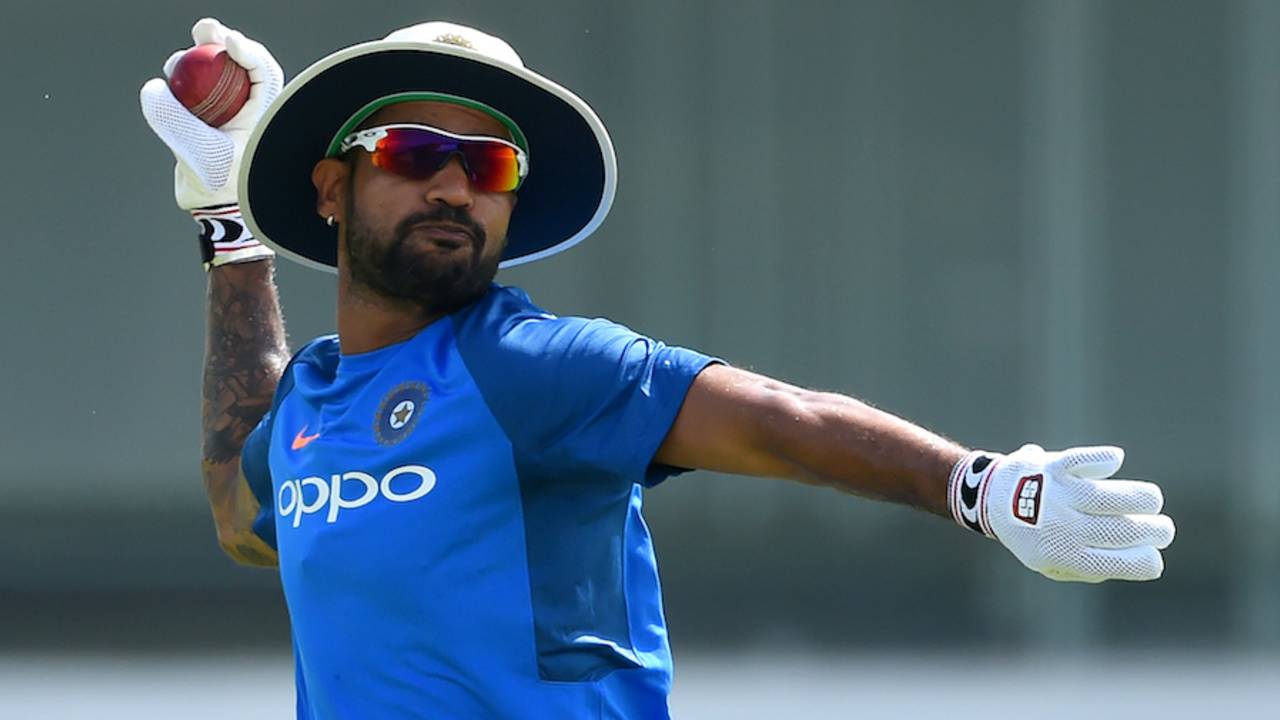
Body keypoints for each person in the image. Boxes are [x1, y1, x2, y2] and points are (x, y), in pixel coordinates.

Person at [141, 18, 1176, 720]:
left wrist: (977, 486)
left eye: (491, 165)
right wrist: (231, 233)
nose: (455, 186)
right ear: (332, 186)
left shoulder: (533, 367)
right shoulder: (313, 402)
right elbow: (243, 511)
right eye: (416, 153)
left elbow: (781, 418)